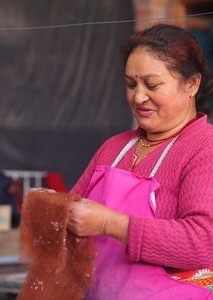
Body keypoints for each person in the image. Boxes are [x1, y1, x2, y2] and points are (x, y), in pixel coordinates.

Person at [67, 23, 213, 299]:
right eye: (131, 84)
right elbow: (74, 208)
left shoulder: (205, 147)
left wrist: (110, 223)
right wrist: (53, 210)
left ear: (191, 84)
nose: (138, 97)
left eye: (152, 84)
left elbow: (201, 242)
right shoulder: (115, 147)